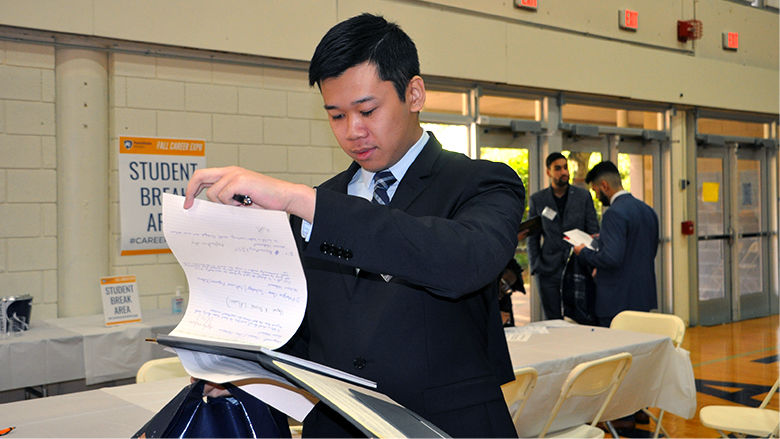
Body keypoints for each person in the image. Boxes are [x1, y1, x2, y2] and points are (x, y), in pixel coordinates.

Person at [184, 13, 525, 438]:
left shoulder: (480, 182)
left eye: (367, 110)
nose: (353, 132)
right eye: (336, 116)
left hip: (446, 424)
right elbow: (305, 333)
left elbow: (462, 262)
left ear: (414, 93)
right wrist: (239, 370)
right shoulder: (319, 206)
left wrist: (297, 200)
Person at [573, 160, 658, 327]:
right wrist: (603, 238)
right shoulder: (648, 211)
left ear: (604, 186)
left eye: (595, 191)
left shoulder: (613, 214)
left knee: (617, 349)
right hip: (642, 296)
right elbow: (646, 249)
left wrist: (583, 252)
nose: (597, 197)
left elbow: (611, 258)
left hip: (617, 300)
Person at [527, 152, 598, 320]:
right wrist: (536, 265)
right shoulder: (538, 199)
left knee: (579, 316)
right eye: (557, 168)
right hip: (547, 269)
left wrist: (593, 262)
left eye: (565, 167)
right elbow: (532, 237)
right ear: (548, 172)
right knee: (553, 320)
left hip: (578, 267)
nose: (564, 172)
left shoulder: (583, 197)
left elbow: (593, 230)